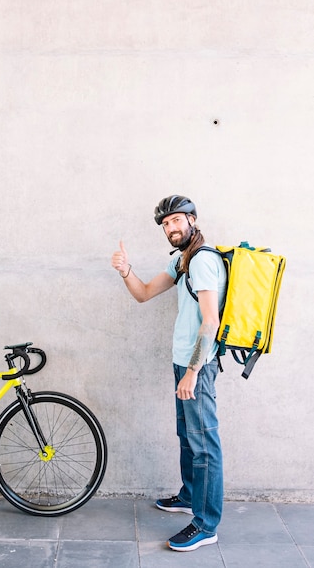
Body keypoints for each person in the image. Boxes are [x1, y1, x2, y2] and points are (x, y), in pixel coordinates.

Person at [111, 195, 227, 552]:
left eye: (176, 220)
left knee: (204, 443)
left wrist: (192, 371)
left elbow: (211, 322)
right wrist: (126, 270)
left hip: (198, 365)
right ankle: (190, 496)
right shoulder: (181, 260)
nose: (170, 227)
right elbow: (144, 294)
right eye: (165, 224)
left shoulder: (203, 262)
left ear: (193, 220)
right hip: (182, 361)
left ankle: (206, 525)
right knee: (187, 434)